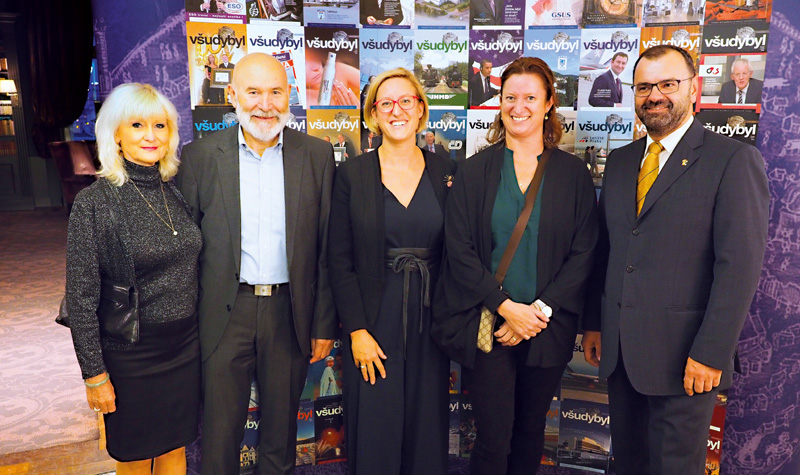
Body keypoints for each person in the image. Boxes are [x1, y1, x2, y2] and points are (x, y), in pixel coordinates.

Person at [581, 45, 769, 474]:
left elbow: (739, 267)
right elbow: (608, 250)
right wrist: (595, 322)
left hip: (687, 360)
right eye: (644, 87)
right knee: (628, 464)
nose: (655, 96)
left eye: (668, 84)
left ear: (693, 88)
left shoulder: (733, 160)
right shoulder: (622, 162)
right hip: (621, 353)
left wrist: (712, 352)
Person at [435, 57, 598, 474]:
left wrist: (536, 313)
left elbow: (584, 253)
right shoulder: (474, 171)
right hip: (490, 327)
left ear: (548, 104)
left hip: (547, 328)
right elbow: (459, 250)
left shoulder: (573, 174)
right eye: (510, 97)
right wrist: (507, 308)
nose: (518, 106)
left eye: (530, 97)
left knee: (529, 432)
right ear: (500, 103)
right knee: (493, 439)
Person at [176, 52, 337, 475]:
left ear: (289, 96)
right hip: (223, 316)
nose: (265, 104)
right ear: (232, 95)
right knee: (219, 434)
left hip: (290, 314)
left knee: (281, 436)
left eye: (275, 92)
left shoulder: (317, 155)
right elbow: (186, 253)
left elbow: (327, 249)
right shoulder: (200, 157)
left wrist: (323, 324)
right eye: (253, 92)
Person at [66, 83, 201, 474]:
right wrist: (94, 375)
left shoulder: (173, 193)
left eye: (160, 126)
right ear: (116, 135)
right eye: (137, 125)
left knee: (175, 449)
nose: (150, 135)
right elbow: (80, 298)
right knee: (136, 457)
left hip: (184, 346)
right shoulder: (95, 202)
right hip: (131, 354)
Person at [328, 67, 456, 475]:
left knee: (426, 426)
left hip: (431, 319)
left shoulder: (446, 172)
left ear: (420, 109)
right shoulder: (352, 174)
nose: (396, 110)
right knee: (375, 427)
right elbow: (339, 260)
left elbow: (459, 253)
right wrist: (357, 331)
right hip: (373, 319)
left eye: (405, 101)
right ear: (373, 115)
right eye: (386, 103)